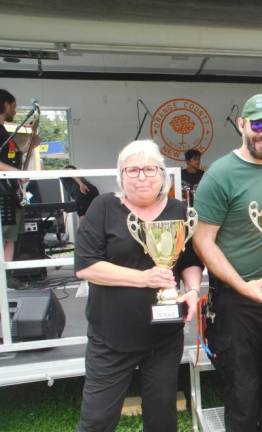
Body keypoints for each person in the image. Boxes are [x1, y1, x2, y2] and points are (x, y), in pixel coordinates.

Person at [74, 139, 203, 432]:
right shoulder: (103, 207)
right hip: (111, 337)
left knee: (161, 420)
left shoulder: (178, 210)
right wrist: (143, 279)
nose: (142, 176)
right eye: (132, 170)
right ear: (121, 175)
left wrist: (194, 291)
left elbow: (191, 261)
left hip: (164, 338)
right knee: (96, 420)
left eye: (149, 169)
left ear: (162, 174)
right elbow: (86, 266)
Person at [192, 94, 262, 431]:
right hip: (236, 299)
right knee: (242, 390)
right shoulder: (219, 175)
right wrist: (243, 286)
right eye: (257, 124)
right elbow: (202, 240)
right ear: (241, 125)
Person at [0, 89, 32, 264]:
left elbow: (11, 157)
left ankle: (6, 279)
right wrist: (18, 173)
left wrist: (29, 146)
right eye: (13, 106)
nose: (14, 110)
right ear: (5, 105)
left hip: (11, 191)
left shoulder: (4, 132)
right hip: (2, 192)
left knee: (10, 238)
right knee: (4, 236)